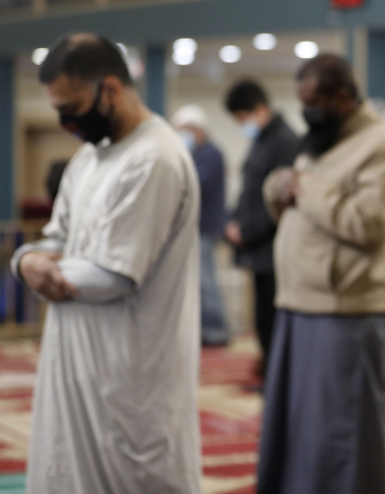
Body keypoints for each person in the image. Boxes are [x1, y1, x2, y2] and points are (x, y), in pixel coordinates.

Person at [11, 34, 202, 494]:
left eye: (72, 107)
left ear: (110, 90)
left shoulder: (153, 158)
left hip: (130, 380)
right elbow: (54, 239)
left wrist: (40, 269)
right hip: (78, 369)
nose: (66, 121)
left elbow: (111, 275)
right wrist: (26, 259)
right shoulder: (87, 159)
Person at [258, 54, 385, 494]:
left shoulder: (381, 144)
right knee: (299, 429)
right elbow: (286, 196)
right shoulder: (323, 140)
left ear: (342, 97)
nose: (306, 111)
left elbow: (368, 223)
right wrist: (281, 185)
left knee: (341, 434)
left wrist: (303, 186)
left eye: (313, 101)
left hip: (345, 311)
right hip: (298, 303)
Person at [224, 80, 299, 377]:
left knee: (274, 315)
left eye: (243, 118)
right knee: (262, 315)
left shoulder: (284, 141)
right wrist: (234, 222)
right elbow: (251, 190)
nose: (243, 125)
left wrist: (249, 230)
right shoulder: (262, 141)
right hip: (257, 248)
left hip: (273, 248)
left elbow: (279, 201)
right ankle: (269, 364)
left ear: (260, 109)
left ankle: (278, 370)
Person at [173, 104, 230, 346]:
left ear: (197, 129)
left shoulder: (211, 154)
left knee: (206, 282)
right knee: (196, 282)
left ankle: (216, 330)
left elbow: (196, 184)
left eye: (185, 130)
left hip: (205, 227)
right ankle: (204, 329)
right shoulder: (193, 154)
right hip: (193, 227)